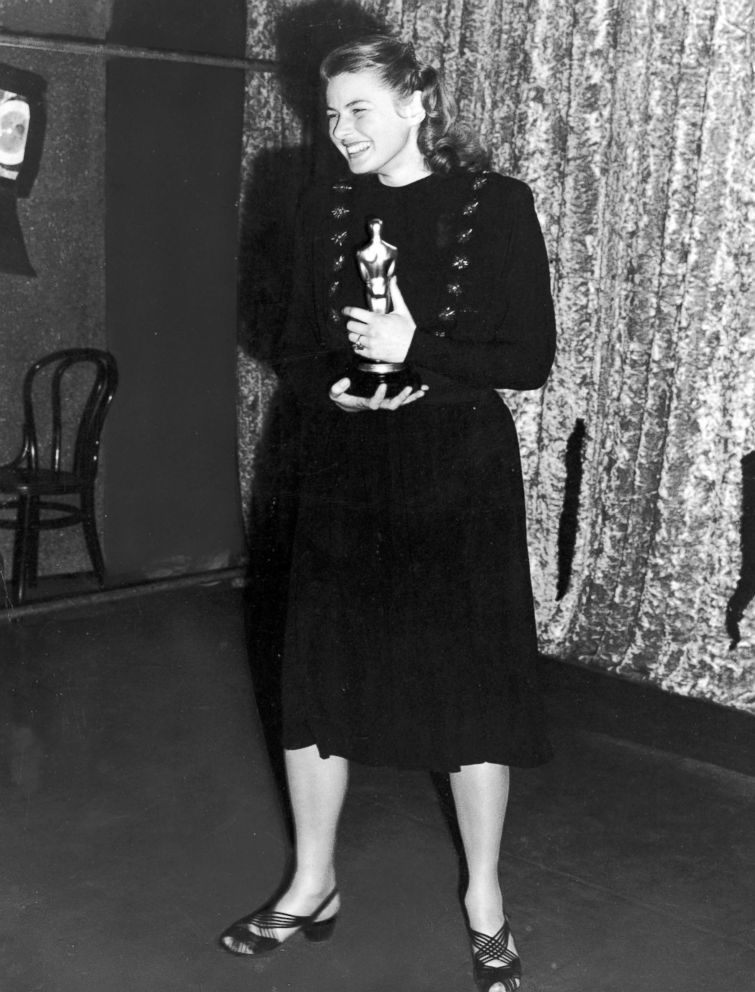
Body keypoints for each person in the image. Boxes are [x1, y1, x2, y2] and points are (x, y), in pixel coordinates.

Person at [220, 34, 556, 992]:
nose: (340, 132)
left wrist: (421, 347)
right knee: (315, 675)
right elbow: (282, 334)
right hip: (337, 463)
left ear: (418, 103)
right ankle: (311, 882)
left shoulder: (496, 206)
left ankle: (484, 903)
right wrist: (332, 386)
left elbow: (527, 358)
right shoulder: (314, 200)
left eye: (359, 110)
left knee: (466, 689)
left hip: (451, 470)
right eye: (329, 114)